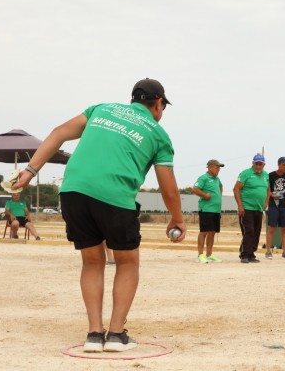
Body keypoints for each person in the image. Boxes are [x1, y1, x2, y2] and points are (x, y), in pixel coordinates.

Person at [12, 78, 186, 353]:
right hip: (115, 195)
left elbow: (58, 133)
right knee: (127, 263)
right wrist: (177, 218)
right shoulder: (158, 134)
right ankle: (116, 335)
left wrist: (30, 171)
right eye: (163, 107)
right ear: (158, 103)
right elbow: (169, 188)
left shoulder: (101, 109)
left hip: (73, 192)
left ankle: (94, 334)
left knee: (92, 262)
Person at [233, 153, 270, 263]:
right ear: (253, 163)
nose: (258, 166)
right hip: (246, 208)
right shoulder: (245, 173)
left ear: (264, 164)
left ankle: (251, 253)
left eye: (260, 164)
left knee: (256, 231)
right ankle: (244, 254)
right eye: (256, 164)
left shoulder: (266, 175)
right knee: (248, 231)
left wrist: (266, 202)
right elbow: (236, 189)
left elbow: (268, 189)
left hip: (259, 208)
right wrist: (240, 205)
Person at [191, 159, 224, 263]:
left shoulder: (217, 179)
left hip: (216, 210)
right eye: (216, 167)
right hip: (206, 209)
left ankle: (209, 254)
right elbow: (195, 189)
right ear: (210, 167)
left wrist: (218, 195)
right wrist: (205, 195)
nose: (218, 169)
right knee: (204, 232)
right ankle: (200, 255)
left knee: (212, 232)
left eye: (219, 168)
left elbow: (221, 186)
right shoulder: (203, 178)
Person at [266, 157, 285, 259]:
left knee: (284, 230)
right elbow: (267, 188)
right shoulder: (271, 175)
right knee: (272, 228)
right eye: (284, 165)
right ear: (279, 164)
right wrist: (272, 195)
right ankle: (268, 251)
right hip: (274, 205)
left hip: (284, 206)